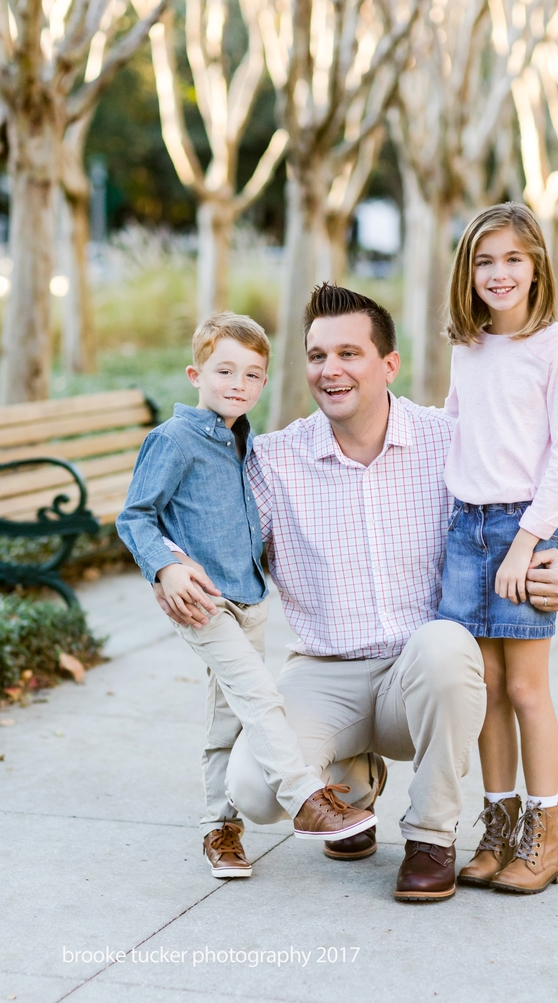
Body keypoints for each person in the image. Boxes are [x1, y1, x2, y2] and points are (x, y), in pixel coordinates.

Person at [155, 284, 558, 902]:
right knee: (253, 789)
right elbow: (215, 536)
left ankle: (431, 837)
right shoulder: (275, 460)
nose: (330, 370)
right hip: (325, 671)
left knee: (449, 646)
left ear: (389, 365)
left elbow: (524, 498)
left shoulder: (449, 442)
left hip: (420, 676)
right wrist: (168, 565)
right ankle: (354, 784)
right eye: (316, 356)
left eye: (349, 354)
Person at [116, 312, 376, 880]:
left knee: (227, 718)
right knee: (260, 696)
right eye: (224, 370)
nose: (238, 384)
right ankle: (305, 795)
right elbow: (134, 517)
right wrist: (164, 568)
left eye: (253, 375)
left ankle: (220, 828)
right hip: (202, 601)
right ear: (195, 373)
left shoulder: (245, 442)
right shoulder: (174, 439)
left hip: (249, 599)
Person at [438, 204, 558, 894]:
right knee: (487, 690)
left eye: (513, 259)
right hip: (465, 530)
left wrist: (525, 545)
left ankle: (544, 837)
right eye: (484, 261)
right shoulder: (466, 348)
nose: (498, 274)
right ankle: (497, 830)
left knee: (527, 688)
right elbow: (452, 430)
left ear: (537, 267)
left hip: (522, 532)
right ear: (467, 273)